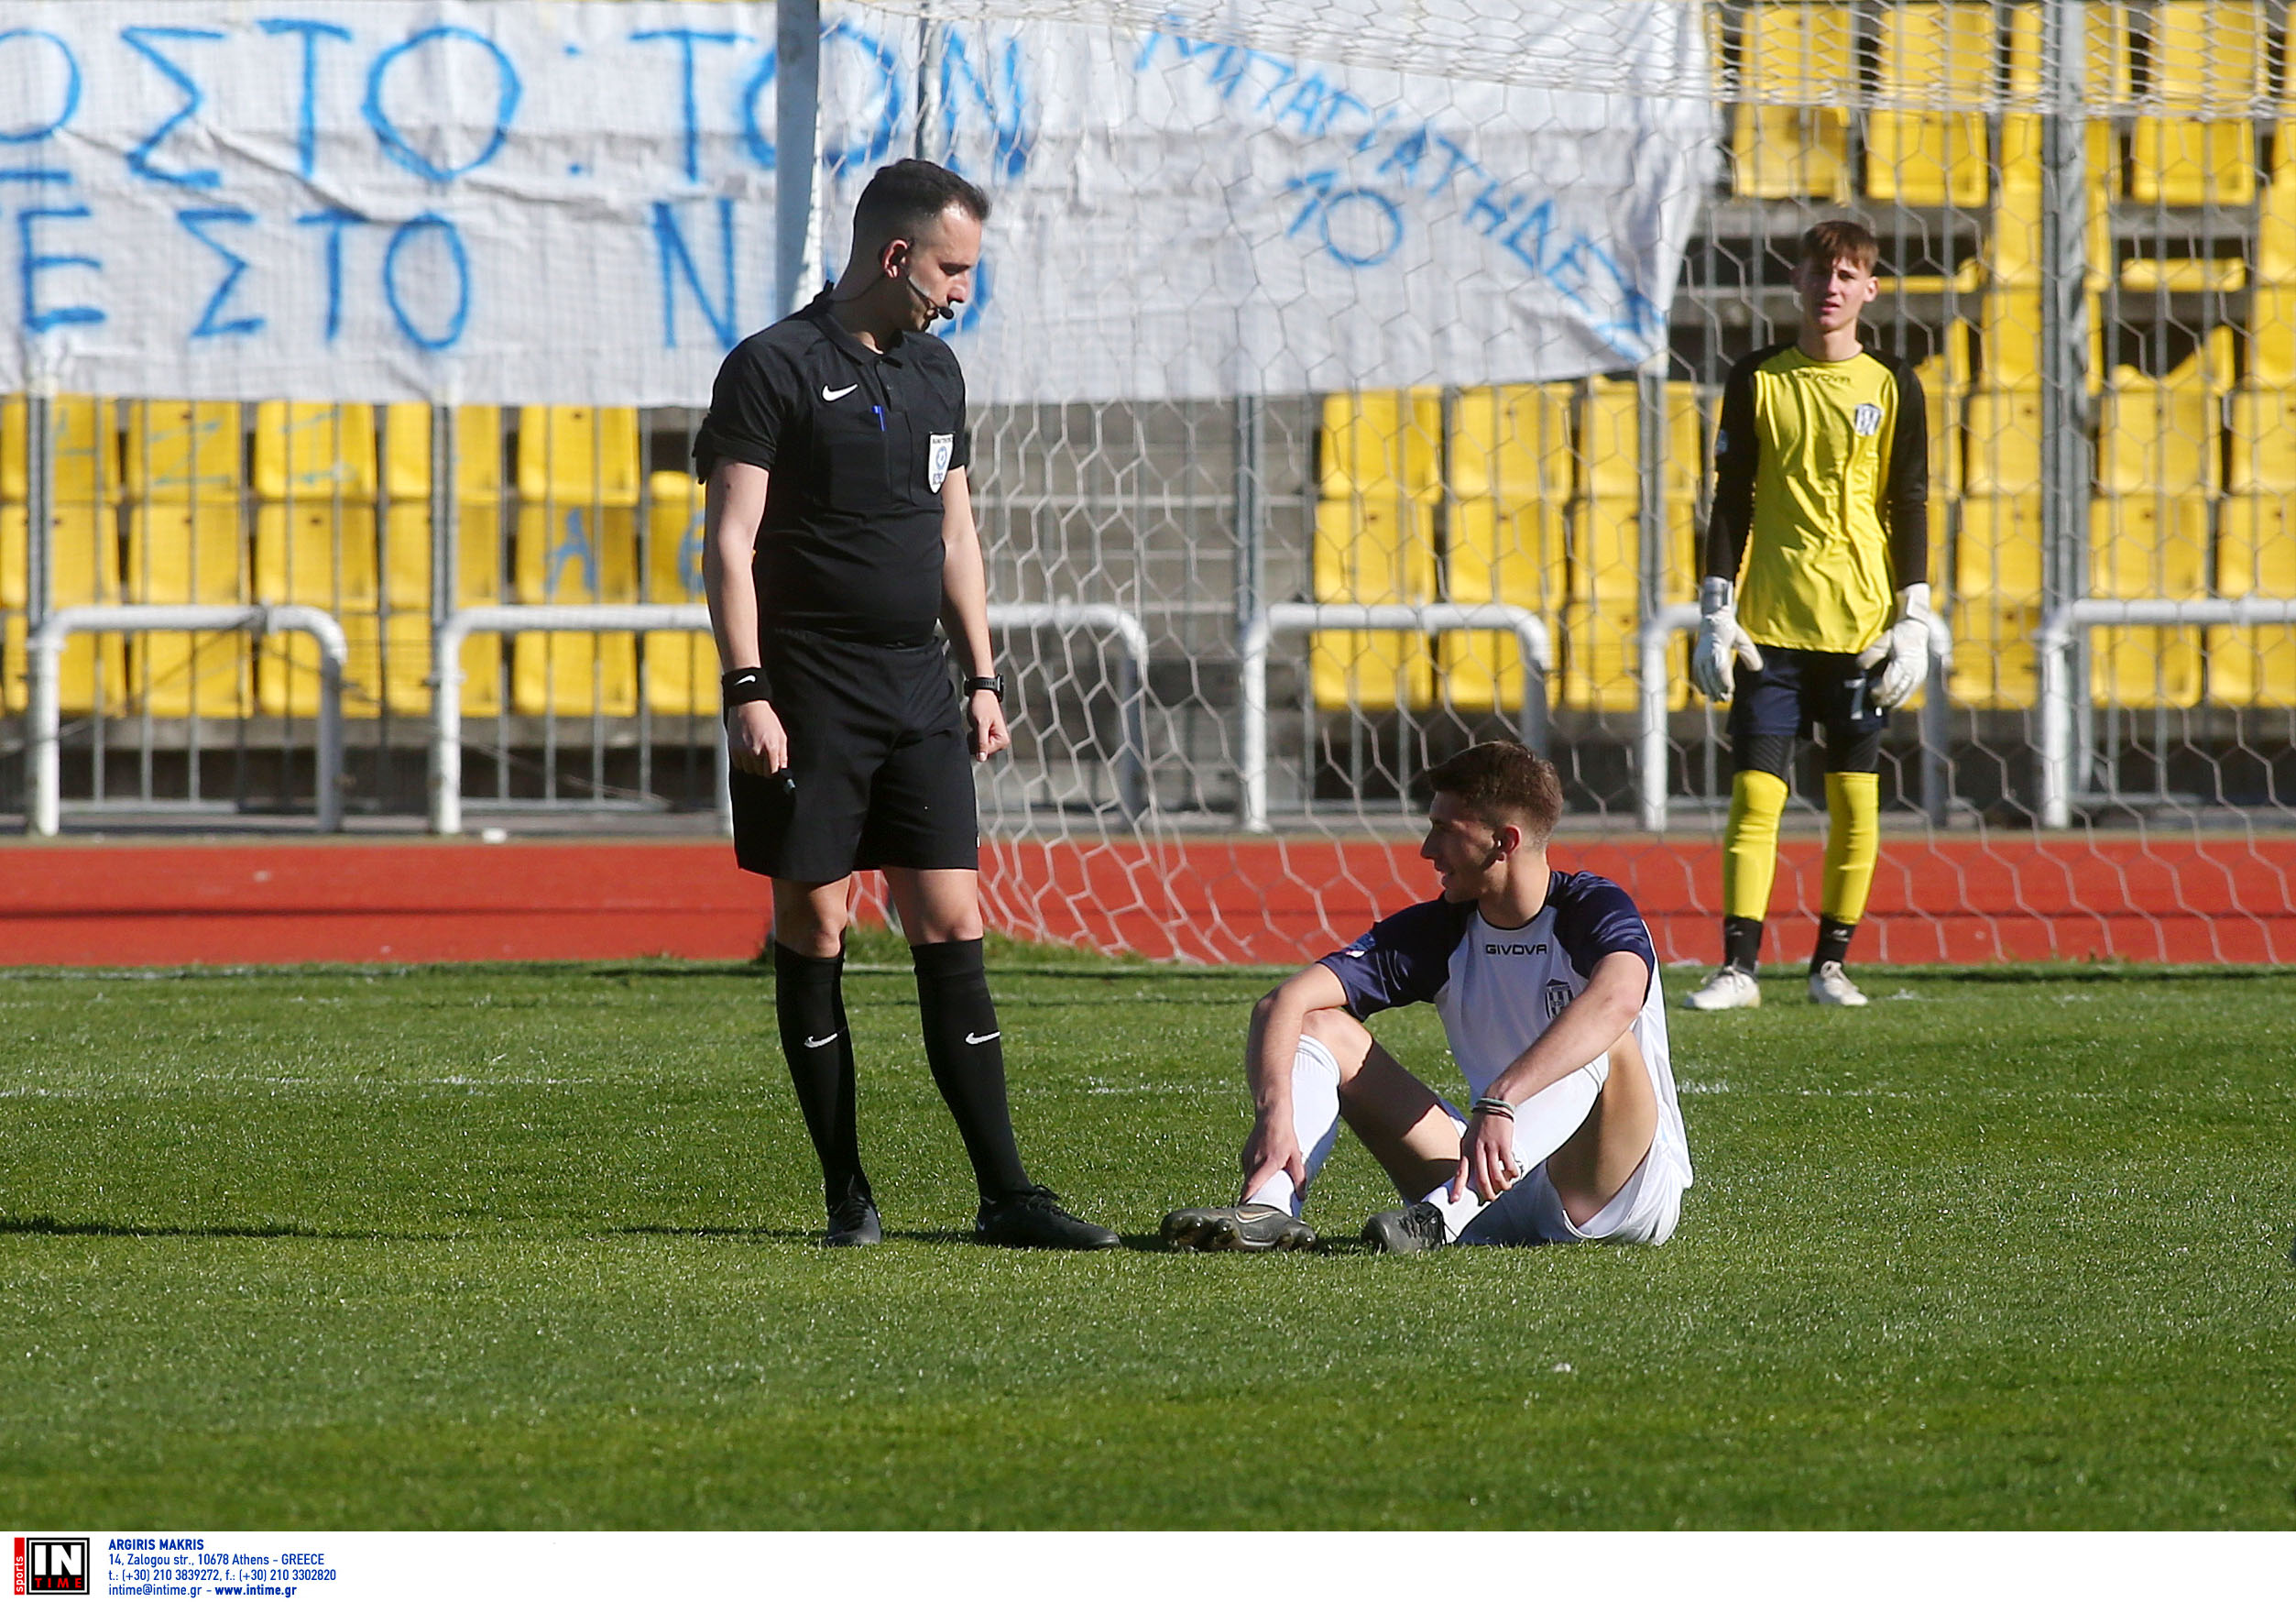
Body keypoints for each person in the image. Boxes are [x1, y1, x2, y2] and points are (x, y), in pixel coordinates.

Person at [694, 159, 1117, 1250]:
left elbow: (955, 535)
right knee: (816, 922)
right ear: (896, 255)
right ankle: (848, 1193)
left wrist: (982, 673)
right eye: (953, 267)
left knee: (951, 919)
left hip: (919, 689)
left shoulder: (937, 374)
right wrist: (746, 688)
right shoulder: (771, 367)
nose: (963, 289)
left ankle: (1007, 1194)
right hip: (808, 694)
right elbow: (730, 544)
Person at [1160, 742, 1692, 1254]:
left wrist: (1501, 1097)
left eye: (1444, 829)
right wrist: (1274, 1114)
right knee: (1321, 1025)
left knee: (1605, 1038)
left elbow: (1619, 997)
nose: (1426, 849)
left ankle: (1441, 1221)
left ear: (1504, 842)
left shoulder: (1592, 907)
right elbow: (1283, 1003)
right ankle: (1269, 1208)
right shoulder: (1443, 928)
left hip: (1614, 1196)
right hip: (1490, 1178)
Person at [1684, 219, 1931, 1013]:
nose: (1832, 287)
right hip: (1772, 633)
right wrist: (1716, 607)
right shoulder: (1757, 377)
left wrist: (1914, 615)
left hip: (1861, 632)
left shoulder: (1895, 384)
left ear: (1870, 289)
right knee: (1758, 799)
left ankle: (1830, 965)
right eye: (1820, 271)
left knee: (1856, 803)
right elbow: (1732, 498)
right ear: (1796, 280)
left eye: (1849, 273)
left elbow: (1911, 499)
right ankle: (1738, 970)